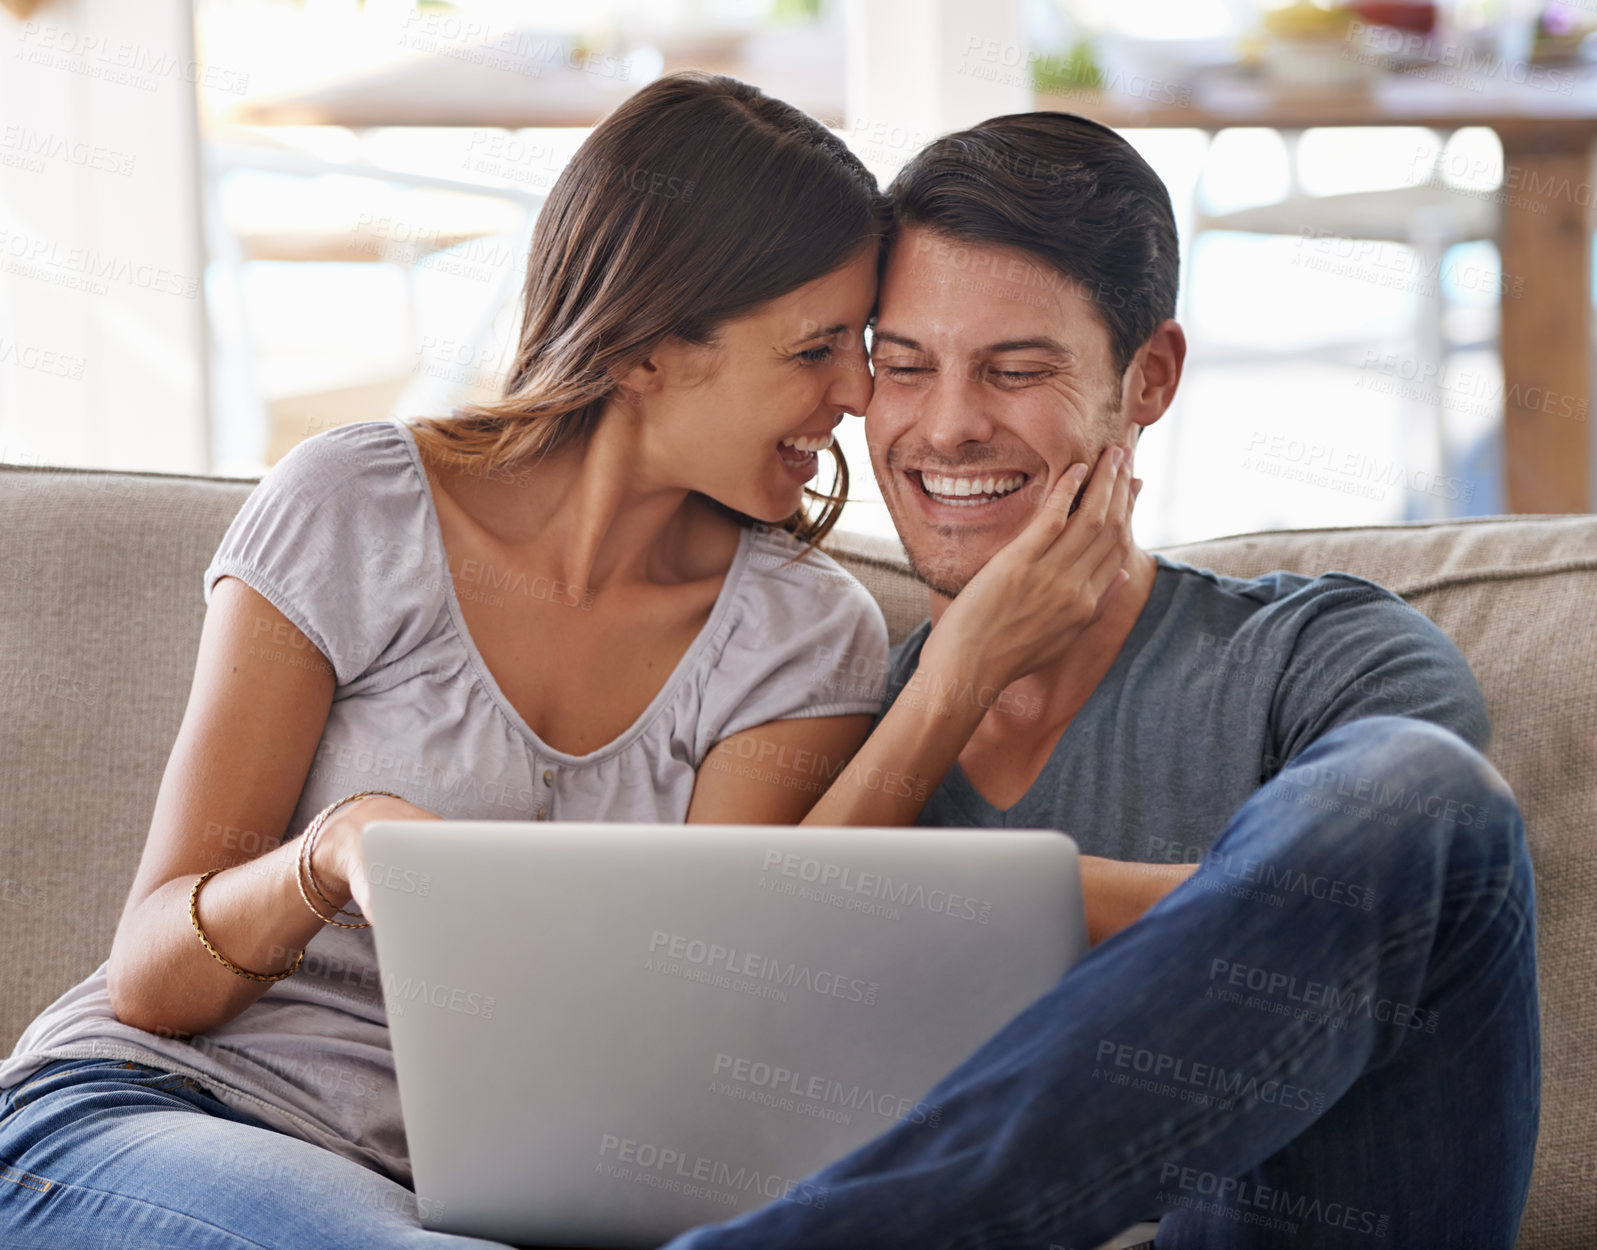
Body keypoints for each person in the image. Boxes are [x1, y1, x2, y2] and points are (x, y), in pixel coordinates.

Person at [0, 79, 1136, 1249]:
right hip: (168, 1115)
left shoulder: (798, 628)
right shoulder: (355, 507)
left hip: (498, 1207)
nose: (854, 397)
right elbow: (151, 977)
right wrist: (337, 850)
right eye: (813, 350)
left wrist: (957, 671)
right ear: (647, 346)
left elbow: (732, 997)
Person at [650, 113, 1540, 1250]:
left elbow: (1393, 918)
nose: (950, 425)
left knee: (1423, 789)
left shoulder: (1326, 654)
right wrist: (955, 679)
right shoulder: (835, 713)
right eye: (905, 366)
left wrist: (938, 898)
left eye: (1016, 370)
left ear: (1148, 378)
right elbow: (750, 994)